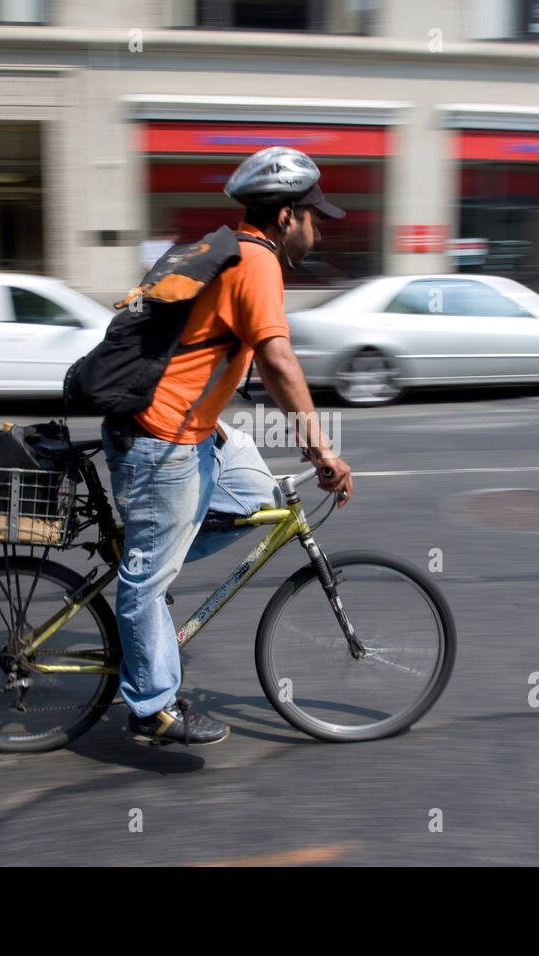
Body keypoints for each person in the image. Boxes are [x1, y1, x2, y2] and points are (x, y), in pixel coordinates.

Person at [102, 146, 354, 746]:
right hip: (160, 441)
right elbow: (277, 359)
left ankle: (151, 557)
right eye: (315, 218)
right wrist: (322, 449)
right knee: (146, 579)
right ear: (287, 216)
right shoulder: (254, 261)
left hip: (198, 433)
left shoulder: (232, 252)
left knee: (265, 499)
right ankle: (153, 707)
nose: (318, 231)